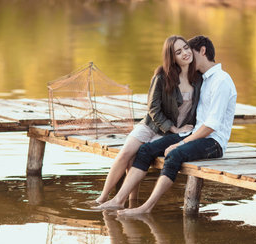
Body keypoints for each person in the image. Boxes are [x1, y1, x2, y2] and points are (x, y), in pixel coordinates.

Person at [97, 35, 237, 215]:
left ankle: (145, 208)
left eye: (189, 50)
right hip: (188, 132)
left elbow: (211, 125)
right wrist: (178, 135)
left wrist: (180, 143)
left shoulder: (221, 80)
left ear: (202, 51)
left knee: (174, 155)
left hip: (212, 142)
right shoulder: (203, 78)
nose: (187, 55)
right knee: (145, 150)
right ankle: (117, 200)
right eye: (180, 52)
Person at [94, 35, 203, 204]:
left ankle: (131, 200)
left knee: (138, 155)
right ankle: (102, 198)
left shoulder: (198, 79)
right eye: (178, 52)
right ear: (172, 57)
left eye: (186, 48)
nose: (185, 53)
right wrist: (173, 129)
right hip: (152, 125)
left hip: (172, 133)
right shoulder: (162, 76)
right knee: (125, 153)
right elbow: (153, 109)